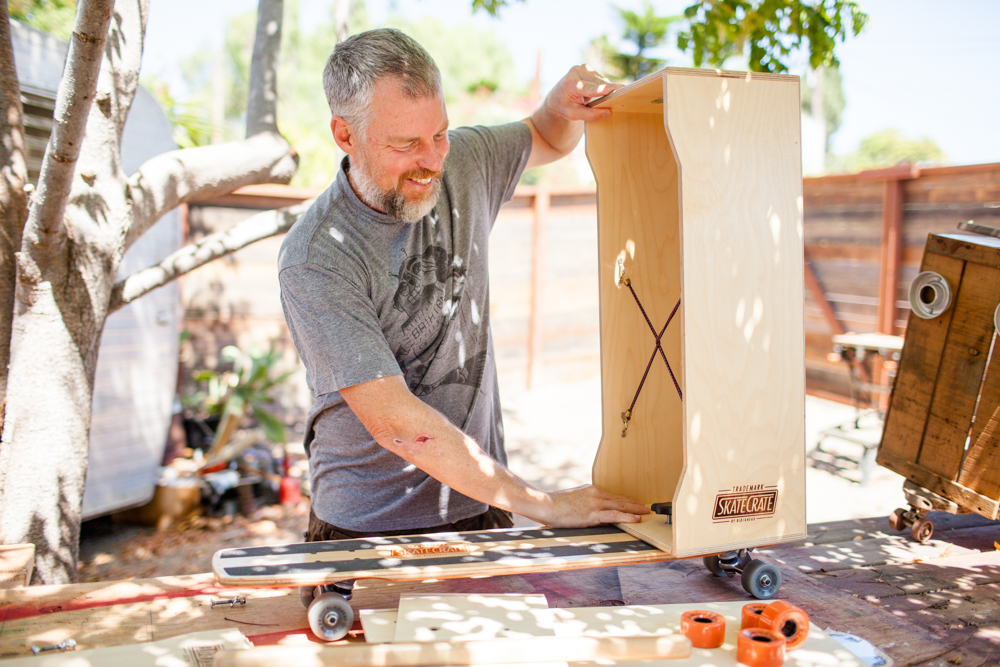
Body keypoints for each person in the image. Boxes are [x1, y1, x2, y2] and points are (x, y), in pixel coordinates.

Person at [279, 28, 649, 544]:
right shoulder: (316, 256)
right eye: (406, 144)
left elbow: (546, 137)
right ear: (345, 136)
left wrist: (560, 106)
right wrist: (545, 505)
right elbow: (398, 424)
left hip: (481, 502)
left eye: (439, 134)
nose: (432, 161)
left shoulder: (464, 161)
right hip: (365, 526)